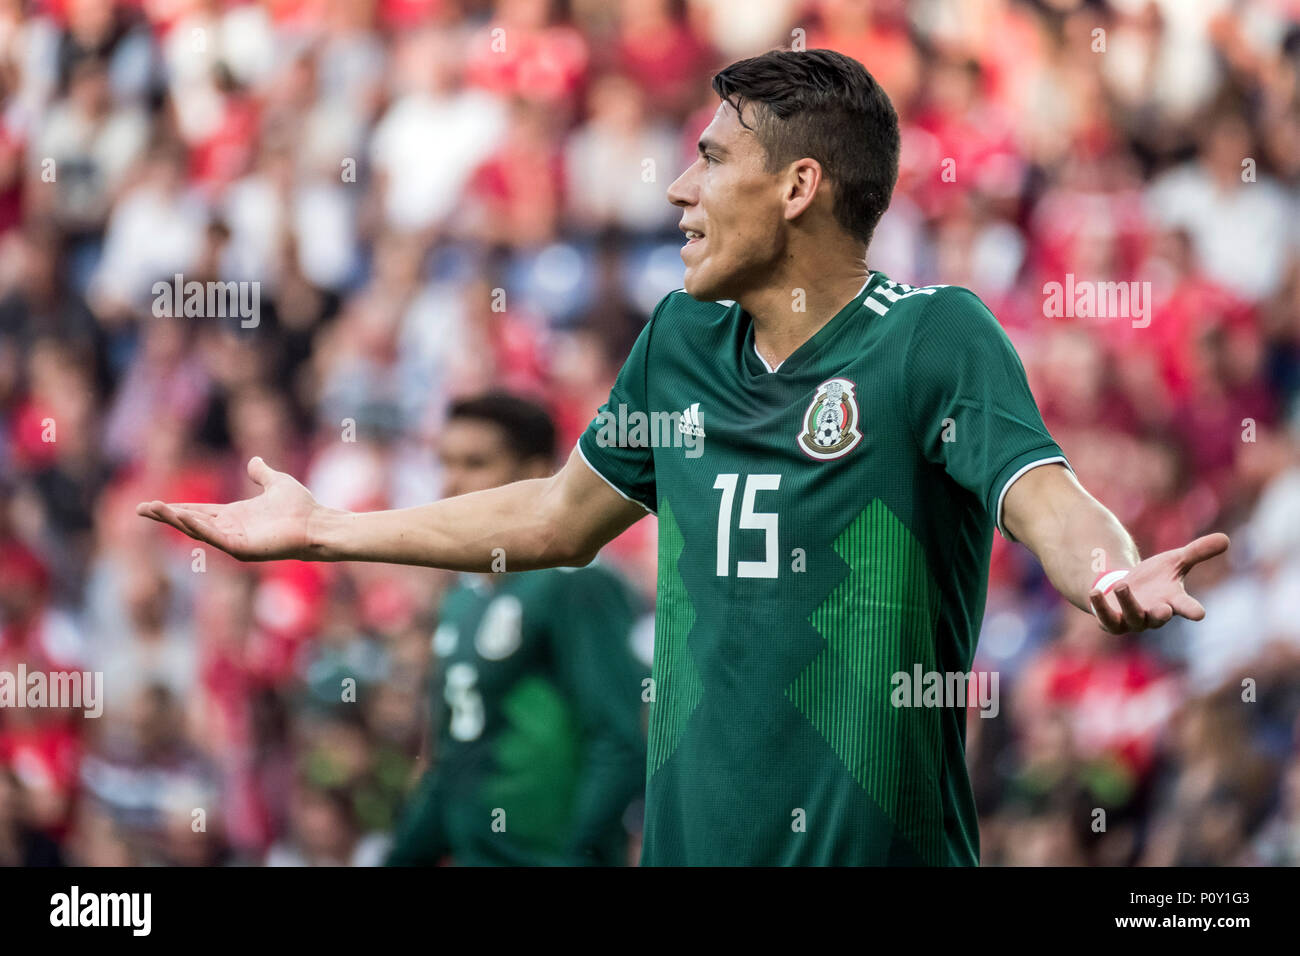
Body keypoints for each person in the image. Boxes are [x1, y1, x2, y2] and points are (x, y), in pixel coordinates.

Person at [139, 49, 1229, 866]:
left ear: (797, 188)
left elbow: (1042, 492)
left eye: (710, 159)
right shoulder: (679, 340)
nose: (677, 190)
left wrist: (1104, 572)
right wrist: (321, 529)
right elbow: (557, 518)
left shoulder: (931, 337)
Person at [382, 393, 647, 865]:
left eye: (476, 463)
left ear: (537, 473)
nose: (451, 482)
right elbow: (452, 762)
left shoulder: (575, 583)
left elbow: (618, 741)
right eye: (445, 461)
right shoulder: (463, 595)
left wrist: (578, 853)